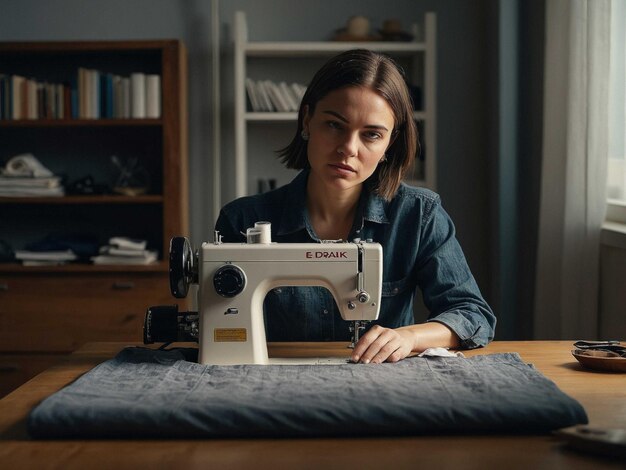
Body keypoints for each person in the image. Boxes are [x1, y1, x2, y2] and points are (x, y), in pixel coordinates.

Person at [215, 49, 496, 363]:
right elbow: (219, 328)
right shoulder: (241, 220)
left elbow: (472, 315)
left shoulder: (419, 216)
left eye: (372, 134)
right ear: (307, 120)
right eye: (335, 125)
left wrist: (408, 336)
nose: (348, 148)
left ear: (389, 144)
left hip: (383, 391)